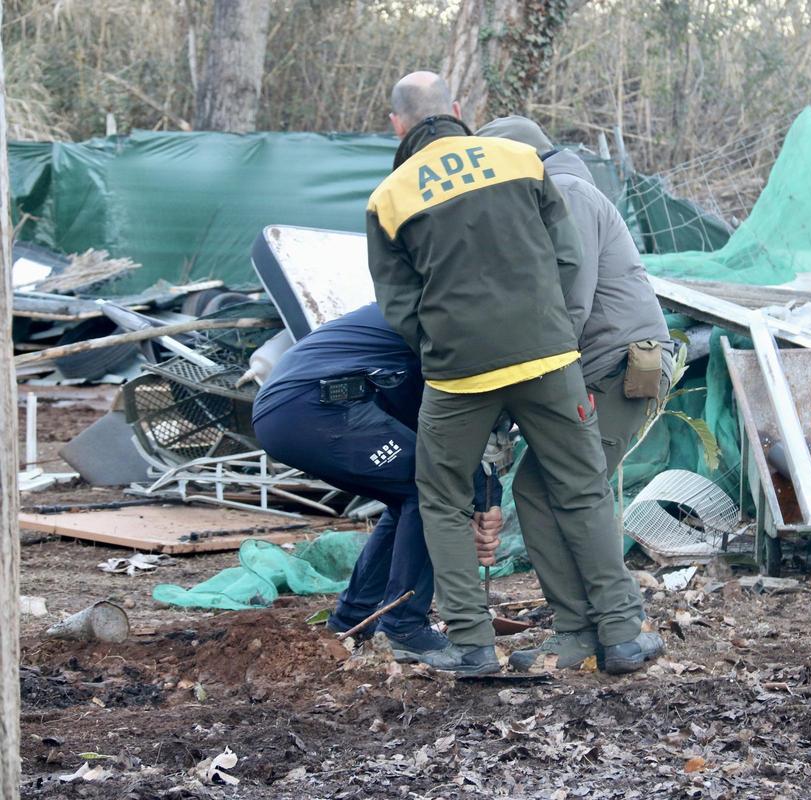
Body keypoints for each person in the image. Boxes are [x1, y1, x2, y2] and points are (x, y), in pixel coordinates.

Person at [366, 71, 662, 675]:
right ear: (456, 108)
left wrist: (441, 347)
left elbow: (399, 304)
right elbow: (567, 255)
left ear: (397, 123)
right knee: (581, 490)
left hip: (458, 373)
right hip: (551, 358)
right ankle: (624, 634)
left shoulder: (389, 197)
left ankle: (472, 645)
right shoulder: (523, 161)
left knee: (444, 500)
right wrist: (545, 329)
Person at [475, 115, 675, 671]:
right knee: (540, 489)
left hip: (613, 369)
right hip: (584, 367)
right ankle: (583, 630)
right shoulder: (546, 195)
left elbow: (569, 304)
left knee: (574, 486)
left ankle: (619, 628)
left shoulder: (566, 193)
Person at [250, 303, 502, 663]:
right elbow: (449, 441)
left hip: (297, 408)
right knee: (433, 487)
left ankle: (354, 619)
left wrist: (486, 500)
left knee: (410, 493)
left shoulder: (433, 309)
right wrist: (479, 501)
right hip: (317, 406)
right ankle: (403, 627)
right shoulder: (452, 323)